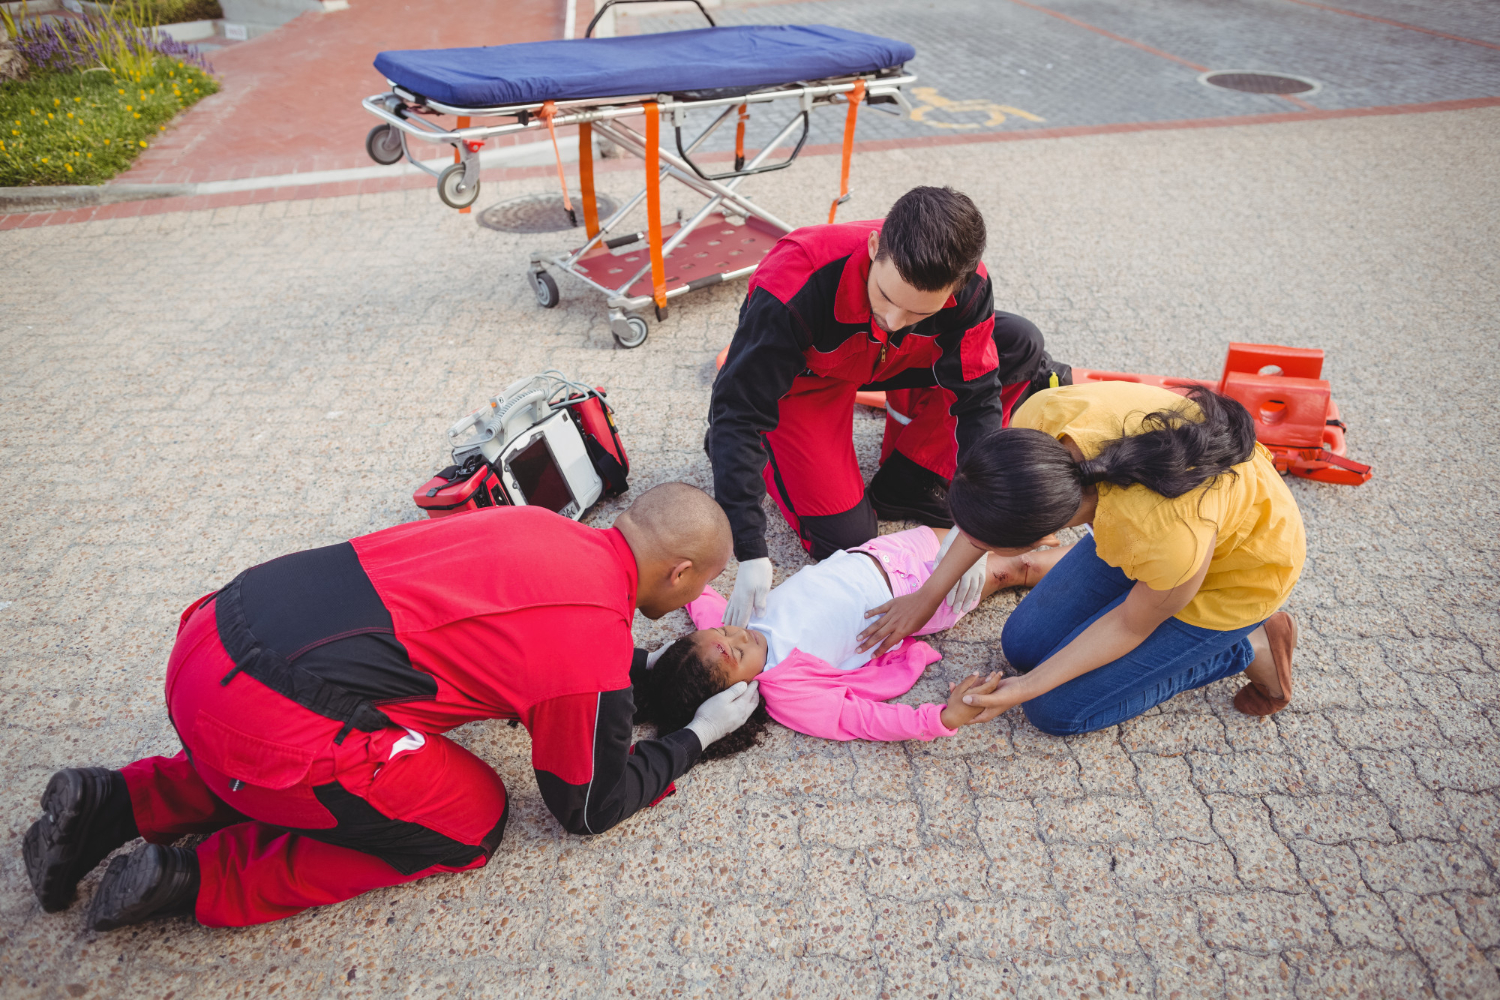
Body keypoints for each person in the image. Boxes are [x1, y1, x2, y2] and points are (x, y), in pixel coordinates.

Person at [23, 483, 760, 930]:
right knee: (469, 821)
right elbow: (589, 806)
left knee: (325, 723)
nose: (694, 609)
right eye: (699, 593)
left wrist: (641, 670)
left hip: (214, 635)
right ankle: (198, 880)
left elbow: (515, 633)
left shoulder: (535, 522)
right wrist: (695, 735)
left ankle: (116, 803)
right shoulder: (593, 646)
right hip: (262, 718)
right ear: (681, 569)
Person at [707, 185, 1071, 629]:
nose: (894, 322)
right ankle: (776, 451)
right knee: (849, 541)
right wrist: (750, 548)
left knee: (1019, 344)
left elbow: (976, 400)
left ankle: (911, 478)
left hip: (890, 361)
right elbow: (736, 414)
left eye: (917, 312)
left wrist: (975, 528)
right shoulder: (795, 280)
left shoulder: (970, 285)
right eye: (887, 297)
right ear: (875, 246)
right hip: (810, 382)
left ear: (957, 284)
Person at [856, 381, 1306, 734]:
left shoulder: (1167, 537)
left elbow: (1131, 623)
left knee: (1055, 711)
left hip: (1238, 577)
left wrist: (1029, 688)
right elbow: (996, 499)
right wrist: (928, 594)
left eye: (990, 542)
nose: (973, 543)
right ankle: (1159, 610)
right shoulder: (1043, 422)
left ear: (1041, 534)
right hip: (1158, 535)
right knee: (1023, 645)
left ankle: (1247, 645)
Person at [632, 525, 1036, 747]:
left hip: (883, 552)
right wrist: (942, 718)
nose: (738, 635)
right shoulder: (788, 691)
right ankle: (1077, 562)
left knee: (993, 532)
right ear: (735, 695)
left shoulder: (727, 625)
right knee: (1014, 568)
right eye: (736, 653)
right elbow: (861, 719)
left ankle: (1046, 530)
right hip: (918, 599)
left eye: (723, 631)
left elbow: (691, 590)